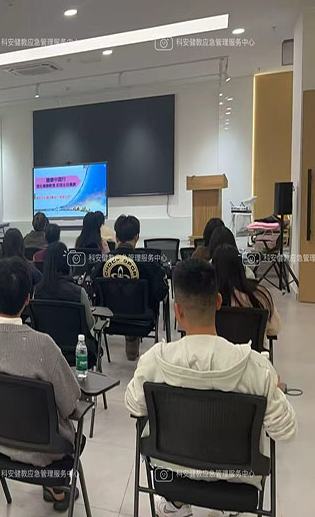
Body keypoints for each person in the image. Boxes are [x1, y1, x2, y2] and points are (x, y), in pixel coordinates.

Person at [125, 259, 296, 517]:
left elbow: (134, 405)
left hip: (171, 474)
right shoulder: (256, 368)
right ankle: (229, 510)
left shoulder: (154, 361)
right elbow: (285, 431)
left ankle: (175, 504)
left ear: (177, 310)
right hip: (238, 481)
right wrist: (277, 391)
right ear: (218, 302)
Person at [0, 257, 82, 511]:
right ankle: (56, 486)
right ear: (28, 298)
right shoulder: (44, 346)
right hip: (45, 451)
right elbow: (70, 402)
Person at [91, 215, 169, 361]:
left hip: (109, 321)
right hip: (143, 321)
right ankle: (132, 342)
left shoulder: (103, 262)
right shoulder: (150, 264)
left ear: (116, 237)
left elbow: (93, 288)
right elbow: (161, 292)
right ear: (137, 237)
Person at [213, 244, 281, 337]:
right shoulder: (259, 294)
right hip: (251, 346)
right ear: (240, 266)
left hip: (217, 346)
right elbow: (274, 329)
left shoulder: (206, 297)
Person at [34, 242, 95, 334]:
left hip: (45, 341)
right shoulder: (78, 292)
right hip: (75, 342)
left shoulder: (37, 291)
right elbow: (89, 324)